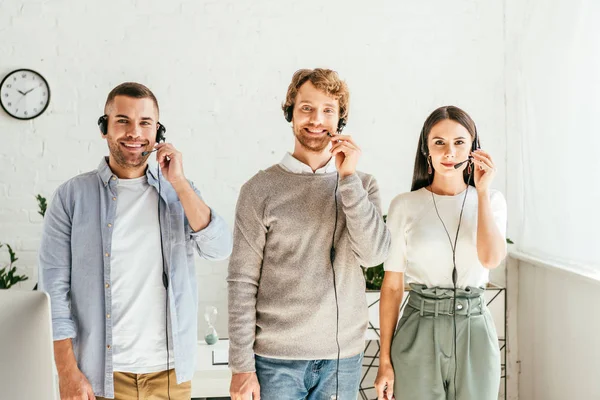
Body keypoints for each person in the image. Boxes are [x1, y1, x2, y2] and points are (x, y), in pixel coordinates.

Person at [38, 82, 233, 399]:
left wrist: (179, 183)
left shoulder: (178, 193)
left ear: (159, 132)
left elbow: (219, 247)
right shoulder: (71, 197)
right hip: (100, 377)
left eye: (145, 123)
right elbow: (53, 294)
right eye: (123, 121)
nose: (134, 133)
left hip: (169, 376)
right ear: (104, 128)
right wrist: (67, 373)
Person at [227, 68, 391, 400]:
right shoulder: (259, 190)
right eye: (306, 108)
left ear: (340, 119)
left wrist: (348, 180)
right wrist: (241, 367)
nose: (316, 119)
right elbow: (242, 280)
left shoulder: (363, 185)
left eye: (328, 110)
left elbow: (373, 255)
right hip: (275, 361)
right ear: (290, 113)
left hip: (342, 360)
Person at [374, 105, 507, 400]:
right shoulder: (404, 205)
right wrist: (384, 361)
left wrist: (482, 193)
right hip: (419, 327)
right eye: (439, 143)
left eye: (460, 143)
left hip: (474, 328)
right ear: (427, 150)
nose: (450, 153)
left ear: (474, 148)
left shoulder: (492, 200)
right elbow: (393, 285)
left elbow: (491, 259)